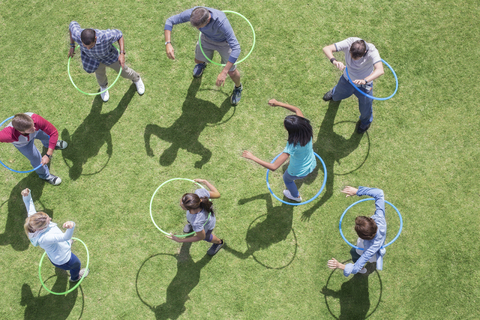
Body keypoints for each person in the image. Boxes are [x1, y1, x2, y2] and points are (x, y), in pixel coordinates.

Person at [164, 7, 243, 105]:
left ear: (208, 20)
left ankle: (238, 87)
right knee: (198, 60)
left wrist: (224, 72)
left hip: (224, 43)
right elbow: (170, 20)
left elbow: (236, 48)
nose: (197, 28)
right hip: (206, 39)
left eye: (199, 26)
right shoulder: (194, 14)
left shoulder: (222, 22)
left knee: (232, 72)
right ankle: (202, 65)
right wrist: (168, 43)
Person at [242, 99, 316, 202]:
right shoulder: (306, 128)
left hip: (298, 171)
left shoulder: (292, 145)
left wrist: (252, 157)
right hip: (311, 162)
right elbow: (296, 109)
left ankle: (296, 196)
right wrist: (278, 103)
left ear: (291, 131)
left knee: (287, 179)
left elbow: (274, 167)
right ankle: (295, 194)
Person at [22, 188, 89, 282]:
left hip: (55, 252)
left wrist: (26, 195)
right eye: (48, 221)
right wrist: (71, 226)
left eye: (47, 216)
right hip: (64, 259)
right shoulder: (45, 238)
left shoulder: (33, 221)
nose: (50, 218)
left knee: (64, 243)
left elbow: (29, 204)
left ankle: (68, 244)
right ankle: (75, 277)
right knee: (76, 264)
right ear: (41, 228)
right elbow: (65, 237)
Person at [68, 21, 145, 102]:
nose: (88, 48)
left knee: (124, 71)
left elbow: (119, 34)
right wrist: (72, 45)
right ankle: (104, 87)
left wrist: (122, 53)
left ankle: (136, 79)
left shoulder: (105, 36)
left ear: (95, 39)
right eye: (85, 46)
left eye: (90, 46)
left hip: (110, 57)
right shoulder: (77, 34)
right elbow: (72, 24)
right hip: (94, 60)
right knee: (100, 75)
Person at [322, 38, 384, 134]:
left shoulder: (372, 51)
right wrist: (334, 61)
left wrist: (365, 80)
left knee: (365, 109)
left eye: (356, 58)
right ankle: (334, 92)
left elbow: (380, 70)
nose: (352, 59)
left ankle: (365, 122)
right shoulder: (349, 42)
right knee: (337, 95)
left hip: (364, 86)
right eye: (351, 55)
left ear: (364, 52)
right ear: (350, 48)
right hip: (347, 80)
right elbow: (326, 48)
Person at [327, 186, 387, 276]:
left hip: (370, 252)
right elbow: (379, 193)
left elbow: (355, 268)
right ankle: (362, 268)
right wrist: (357, 191)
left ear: (361, 236)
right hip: (374, 244)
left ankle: (362, 269)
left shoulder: (370, 249)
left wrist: (339, 265)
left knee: (354, 252)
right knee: (354, 252)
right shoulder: (380, 219)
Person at [0, 113, 67, 185]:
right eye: (31, 129)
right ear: (21, 131)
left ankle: (50, 144)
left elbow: (53, 132)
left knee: (46, 136)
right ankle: (45, 176)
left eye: (33, 125)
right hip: (23, 144)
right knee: (36, 159)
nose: (34, 128)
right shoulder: (7, 135)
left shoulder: (35, 120)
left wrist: (48, 155)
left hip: (36, 133)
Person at [166, 179, 224, 256]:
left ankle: (219, 242)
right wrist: (205, 182)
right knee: (191, 221)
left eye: (182, 206)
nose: (180, 205)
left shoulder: (197, 222)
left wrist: (180, 240)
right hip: (195, 221)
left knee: (206, 236)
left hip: (206, 226)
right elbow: (217, 194)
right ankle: (191, 227)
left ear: (190, 208)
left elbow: (201, 237)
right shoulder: (199, 193)